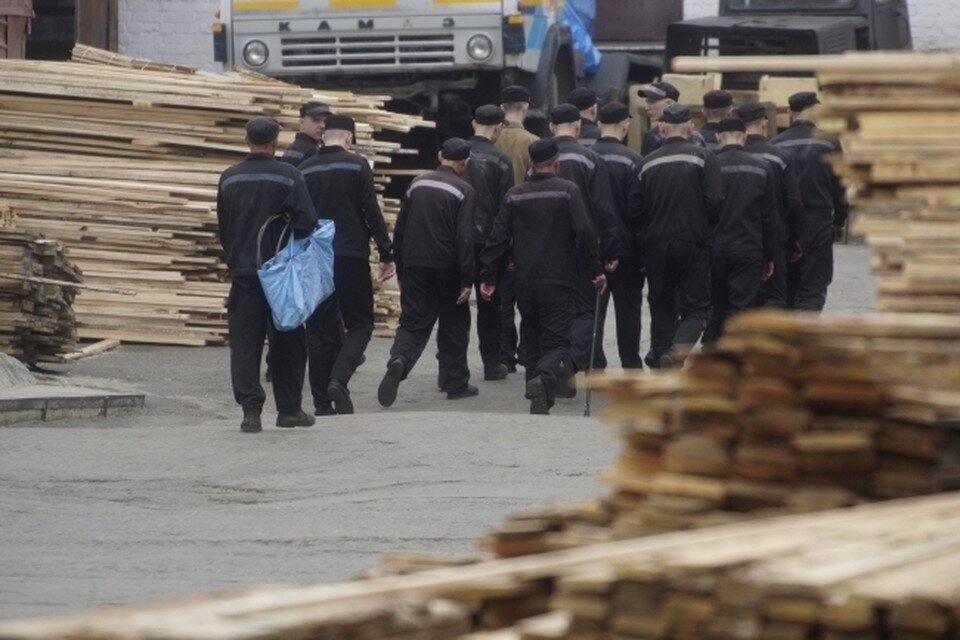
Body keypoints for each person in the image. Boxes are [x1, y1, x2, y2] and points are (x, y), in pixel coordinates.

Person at [480, 138, 606, 414]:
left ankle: (538, 396)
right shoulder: (568, 191)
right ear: (557, 162)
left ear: (530, 164)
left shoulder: (515, 195)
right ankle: (543, 379)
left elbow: (498, 237)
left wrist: (489, 276)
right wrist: (595, 270)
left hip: (525, 280)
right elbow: (585, 234)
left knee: (531, 334)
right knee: (558, 340)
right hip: (560, 279)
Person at [216, 117, 318, 433]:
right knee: (287, 340)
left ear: (247, 140)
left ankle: (250, 412)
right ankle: (289, 410)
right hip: (279, 274)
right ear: (275, 143)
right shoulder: (289, 175)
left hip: (244, 273)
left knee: (245, 343)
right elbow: (307, 222)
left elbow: (224, 225)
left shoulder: (229, 178)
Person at [298, 115, 395, 416]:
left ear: (323, 136)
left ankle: (321, 403)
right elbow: (370, 211)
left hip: (316, 258)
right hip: (350, 255)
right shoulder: (357, 165)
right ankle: (338, 380)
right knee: (361, 323)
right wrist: (386, 251)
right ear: (349, 138)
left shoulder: (303, 169)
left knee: (319, 329)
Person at [378, 138, 477, 407]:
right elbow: (465, 237)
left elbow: (400, 228)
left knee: (413, 320)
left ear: (439, 155)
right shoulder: (465, 190)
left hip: (414, 262)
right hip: (448, 266)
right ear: (465, 162)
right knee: (454, 322)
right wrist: (467, 278)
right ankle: (454, 382)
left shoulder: (416, 184)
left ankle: (399, 359)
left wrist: (399, 263)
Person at [629, 104, 723, 368]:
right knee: (696, 309)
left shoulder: (646, 163)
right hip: (694, 242)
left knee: (661, 305)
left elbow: (634, 209)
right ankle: (675, 352)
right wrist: (704, 228)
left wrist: (645, 238)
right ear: (691, 127)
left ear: (661, 128)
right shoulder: (704, 158)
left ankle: (661, 362)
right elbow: (715, 201)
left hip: (656, 245)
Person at [550, 103, 619, 386]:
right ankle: (578, 360)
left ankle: (555, 362)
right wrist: (609, 251)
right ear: (578, 126)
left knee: (557, 309)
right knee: (588, 309)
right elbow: (603, 208)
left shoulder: (539, 161)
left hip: (549, 248)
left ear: (551, 128)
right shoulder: (590, 159)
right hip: (584, 246)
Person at [771, 91, 849, 311]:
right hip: (817, 220)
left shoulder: (775, 144)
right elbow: (840, 187)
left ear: (789, 112)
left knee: (785, 282)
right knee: (814, 283)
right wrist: (839, 222)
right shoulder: (830, 143)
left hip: (784, 223)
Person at [704, 117, 777, 343]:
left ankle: (712, 352)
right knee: (742, 305)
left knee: (714, 306)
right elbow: (769, 216)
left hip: (713, 249)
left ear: (717, 137)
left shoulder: (708, 165)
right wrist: (770, 256)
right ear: (745, 136)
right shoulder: (762, 167)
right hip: (748, 248)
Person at [592, 101, 645, 369]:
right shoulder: (633, 160)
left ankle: (593, 360)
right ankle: (630, 363)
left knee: (593, 310)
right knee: (628, 310)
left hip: (593, 250)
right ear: (625, 124)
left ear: (599, 123)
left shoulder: (586, 157)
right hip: (628, 251)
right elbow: (638, 210)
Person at [463, 105, 514, 382]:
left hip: (457, 242)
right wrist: (506, 249)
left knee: (455, 305)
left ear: (474, 123)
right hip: (489, 243)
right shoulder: (501, 161)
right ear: (498, 128)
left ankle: (452, 368)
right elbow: (505, 211)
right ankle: (492, 364)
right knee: (490, 305)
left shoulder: (456, 154)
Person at [738, 101, 806, 308]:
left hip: (738, 234)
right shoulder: (780, 156)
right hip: (776, 235)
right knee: (774, 295)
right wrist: (797, 238)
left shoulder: (727, 157)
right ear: (764, 121)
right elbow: (793, 200)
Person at [495, 85, 540, 372]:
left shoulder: (491, 141)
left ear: (502, 109)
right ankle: (527, 350)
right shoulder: (532, 142)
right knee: (528, 295)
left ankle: (503, 356)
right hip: (526, 225)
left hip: (496, 226)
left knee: (501, 298)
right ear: (525, 108)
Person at [641, 81, 706, 156]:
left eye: (651, 102)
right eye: (646, 102)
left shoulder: (652, 137)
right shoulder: (697, 137)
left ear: (669, 103)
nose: (646, 107)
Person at [281, 101, 332, 166]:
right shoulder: (311, 151)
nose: (323, 126)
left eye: (326, 121)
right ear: (302, 123)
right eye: (316, 120)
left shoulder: (293, 148)